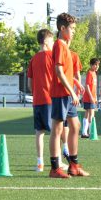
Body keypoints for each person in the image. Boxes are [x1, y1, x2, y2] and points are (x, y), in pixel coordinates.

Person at [49, 13, 89, 178]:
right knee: (57, 130)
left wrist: (76, 82)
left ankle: (74, 165)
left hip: (68, 94)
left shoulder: (65, 46)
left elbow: (65, 71)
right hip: (61, 94)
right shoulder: (58, 45)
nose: (74, 31)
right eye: (71, 28)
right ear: (62, 28)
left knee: (75, 126)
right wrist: (72, 91)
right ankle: (55, 168)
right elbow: (58, 72)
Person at [27, 29, 69, 172]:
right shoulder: (51, 56)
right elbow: (59, 73)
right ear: (46, 42)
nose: (53, 44)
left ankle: (40, 163)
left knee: (39, 132)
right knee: (55, 133)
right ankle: (58, 162)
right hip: (50, 99)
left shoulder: (33, 59)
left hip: (37, 100)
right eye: (52, 41)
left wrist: (36, 93)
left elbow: (29, 83)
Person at [81, 58, 100, 138]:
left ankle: (85, 132)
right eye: (95, 64)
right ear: (91, 65)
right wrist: (91, 97)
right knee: (91, 114)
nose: (97, 66)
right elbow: (87, 86)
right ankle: (89, 132)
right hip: (88, 97)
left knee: (88, 114)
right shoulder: (90, 73)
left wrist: (95, 97)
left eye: (98, 65)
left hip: (91, 97)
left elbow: (94, 88)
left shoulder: (94, 73)